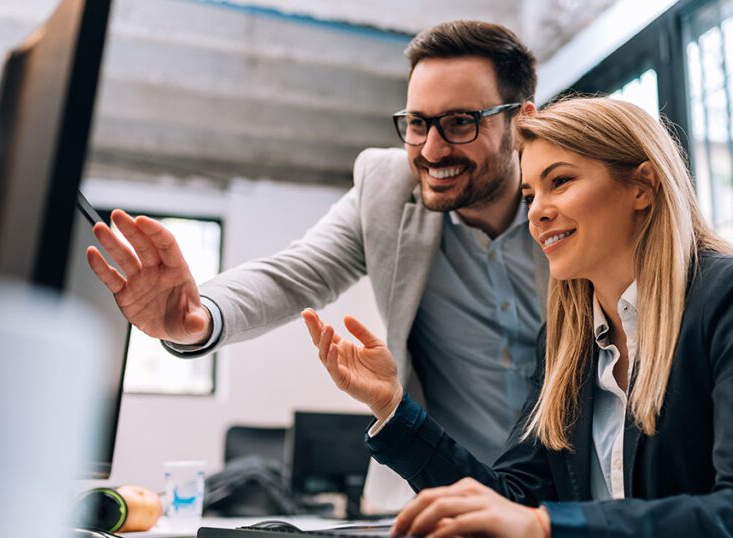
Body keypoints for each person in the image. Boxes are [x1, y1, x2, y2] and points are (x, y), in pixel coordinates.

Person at [300, 96, 733, 537]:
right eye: (530, 194)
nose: (537, 211)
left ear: (642, 187)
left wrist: (545, 526)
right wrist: (393, 407)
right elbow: (511, 501)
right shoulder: (566, 342)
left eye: (561, 182)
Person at [85, 21, 547, 505]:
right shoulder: (387, 190)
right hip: (444, 493)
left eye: (460, 123)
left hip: (572, 490)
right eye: (417, 123)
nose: (431, 149)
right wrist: (200, 314)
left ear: (521, 122)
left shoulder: (571, 201)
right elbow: (294, 274)